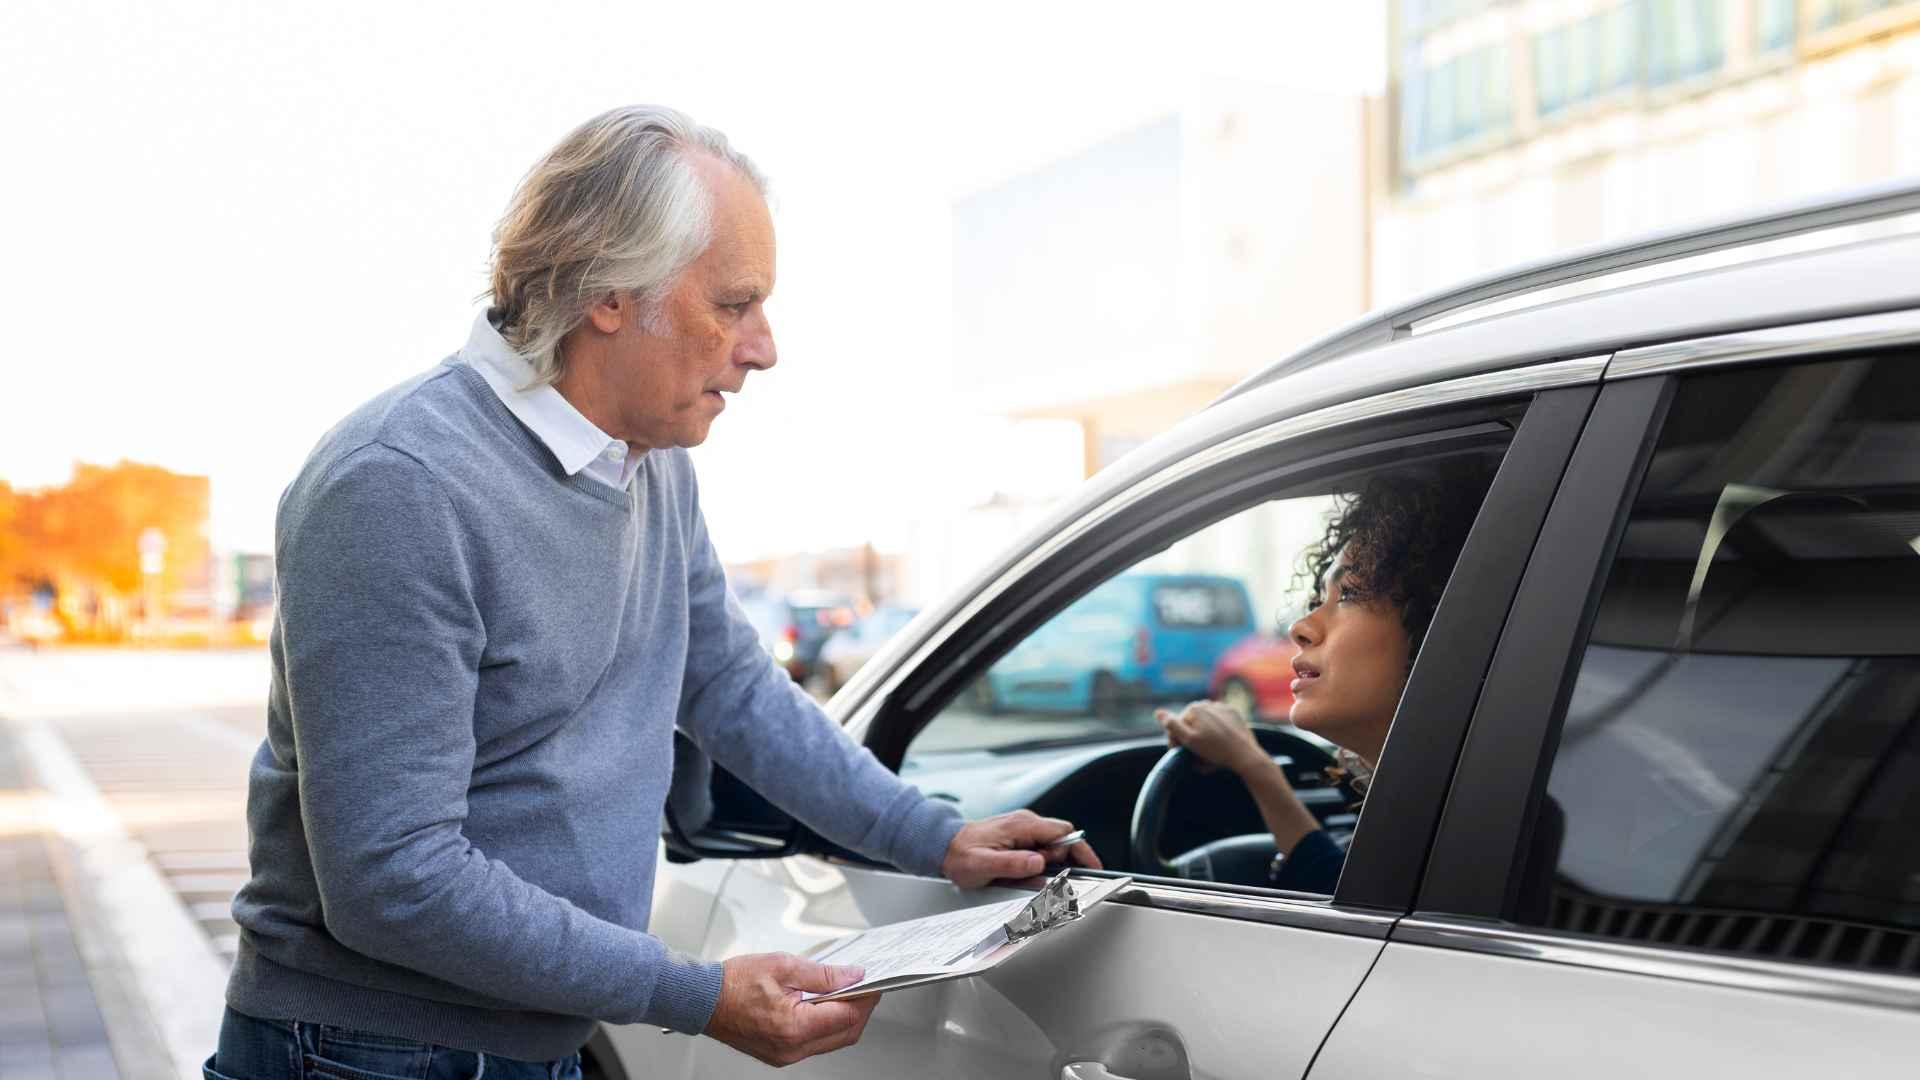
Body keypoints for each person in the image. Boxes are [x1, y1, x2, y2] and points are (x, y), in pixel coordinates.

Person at [210, 105, 1097, 1080]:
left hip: (532, 1036)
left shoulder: (648, 460)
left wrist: (934, 837)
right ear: (609, 292)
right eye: (734, 303)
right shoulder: (399, 486)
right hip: (370, 1054)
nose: (763, 347)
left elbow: (732, 689)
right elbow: (393, 880)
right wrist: (697, 995)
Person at [1156, 460, 1493, 894]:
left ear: (1436, 621)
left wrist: (1255, 767)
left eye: (1348, 593)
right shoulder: (1465, 806)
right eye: (1319, 598)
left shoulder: (1474, 825)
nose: (1301, 628)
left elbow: (1367, 905)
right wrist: (1254, 766)